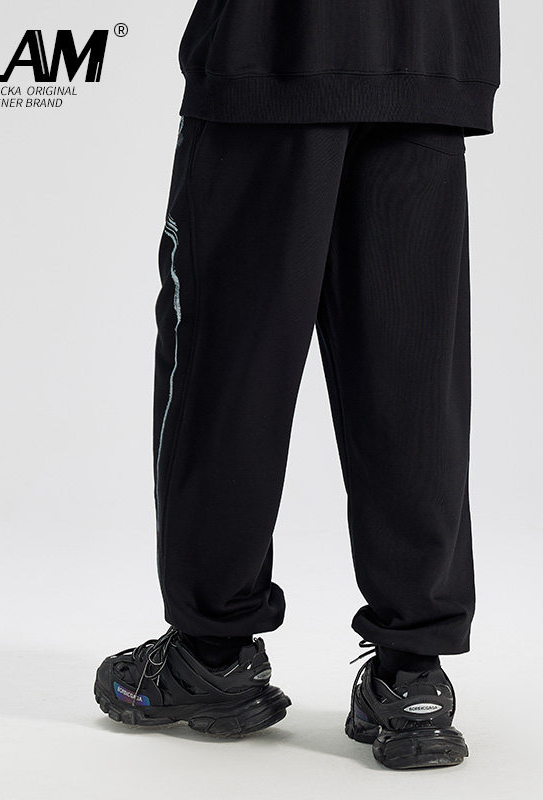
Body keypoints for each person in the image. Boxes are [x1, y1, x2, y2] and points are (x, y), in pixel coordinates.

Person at [94, 0, 500, 770]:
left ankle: (212, 654)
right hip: (430, 47)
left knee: (228, 366)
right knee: (412, 374)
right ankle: (412, 678)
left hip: (277, 45)